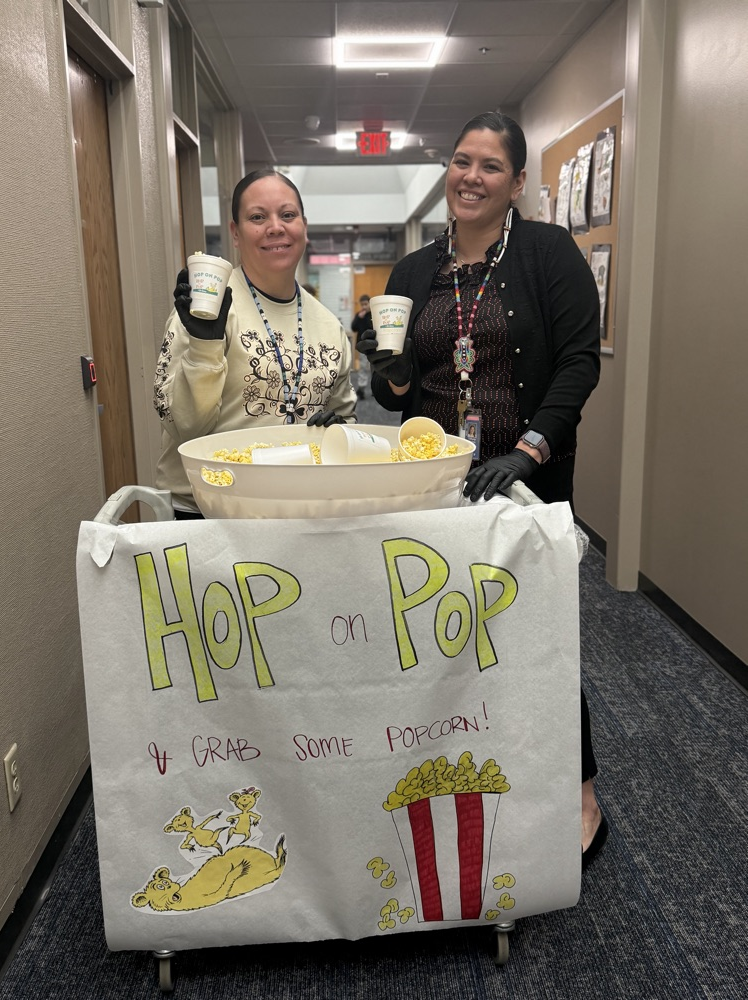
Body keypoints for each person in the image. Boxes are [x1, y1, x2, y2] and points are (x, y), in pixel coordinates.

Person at [357, 111, 607, 870]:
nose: (470, 176)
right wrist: (387, 362)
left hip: (520, 483)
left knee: (536, 636)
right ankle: (448, 773)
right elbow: (400, 394)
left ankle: (580, 789)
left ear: (517, 183)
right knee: (439, 635)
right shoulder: (412, 271)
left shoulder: (545, 253)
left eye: (489, 167)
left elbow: (577, 364)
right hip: (432, 485)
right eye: (461, 160)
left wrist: (529, 452)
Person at [153, 169, 357, 517]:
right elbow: (184, 427)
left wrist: (339, 431)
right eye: (258, 217)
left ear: (303, 226)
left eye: (287, 215)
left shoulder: (329, 326)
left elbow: (346, 422)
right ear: (235, 232)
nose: (275, 227)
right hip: (207, 511)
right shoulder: (209, 308)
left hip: (301, 509)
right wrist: (204, 344)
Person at [350, 294, 372, 398]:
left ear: (369, 304)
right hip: (363, 346)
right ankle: (361, 389)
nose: (364, 307)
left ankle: (376, 389)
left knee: (375, 368)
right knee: (363, 367)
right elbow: (353, 328)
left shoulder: (373, 314)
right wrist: (359, 318)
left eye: (366, 304)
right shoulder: (359, 315)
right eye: (362, 304)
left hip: (373, 346)